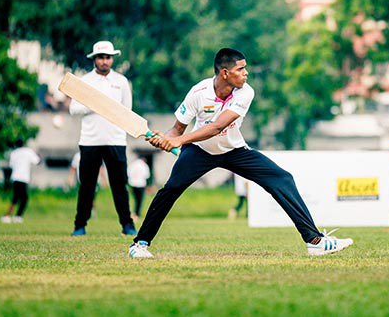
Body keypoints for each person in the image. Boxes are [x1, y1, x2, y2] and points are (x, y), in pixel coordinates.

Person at [129, 48, 353, 258]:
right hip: (200, 151)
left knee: (282, 178)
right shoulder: (198, 92)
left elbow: (216, 127)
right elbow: (177, 129)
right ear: (225, 73)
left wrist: (176, 140)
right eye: (240, 69)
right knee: (170, 190)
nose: (246, 73)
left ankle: (315, 242)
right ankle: (139, 244)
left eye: (245, 68)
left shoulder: (245, 92)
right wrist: (166, 140)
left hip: (234, 149)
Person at [69, 40, 137, 236]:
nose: (105, 61)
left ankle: (127, 224)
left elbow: (127, 111)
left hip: (116, 140)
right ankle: (80, 225)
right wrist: (95, 104)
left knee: (119, 185)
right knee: (87, 186)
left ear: (112, 59)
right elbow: (74, 109)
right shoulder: (85, 81)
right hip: (90, 141)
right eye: (101, 57)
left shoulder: (122, 82)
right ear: (94, 59)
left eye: (108, 57)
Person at [1, 139, 41, 223]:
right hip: (23, 178)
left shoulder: (14, 153)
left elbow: (11, 165)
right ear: (23, 144)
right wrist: (39, 156)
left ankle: (11, 216)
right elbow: (37, 161)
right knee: (24, 199)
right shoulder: (28, 151)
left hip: (15, 177)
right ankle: (15, 216)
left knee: (16, 198)